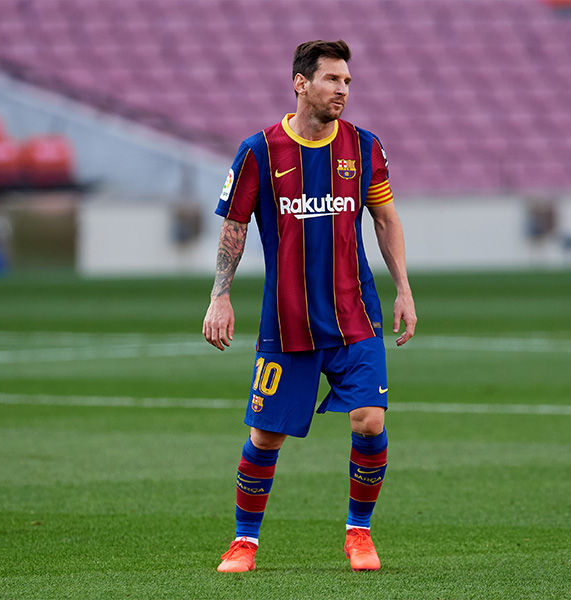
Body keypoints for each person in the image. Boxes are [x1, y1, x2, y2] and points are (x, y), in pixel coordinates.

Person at [202, 39, 416, 573]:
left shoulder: (365, 147)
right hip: (287, 322)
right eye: (332, 80)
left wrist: (404, 289)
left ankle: (359, 534)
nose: (343, 90)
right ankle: (244, 542)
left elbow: (385, 219)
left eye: (347, 81)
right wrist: (220, 296)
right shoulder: (259, 151)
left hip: (355, 316)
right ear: (301, 83)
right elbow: (234, 226)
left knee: (369, 420)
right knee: (265, 436)